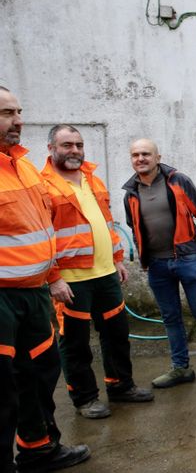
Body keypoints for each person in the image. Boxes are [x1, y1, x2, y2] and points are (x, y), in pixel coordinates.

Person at [0, 87, 90, 472]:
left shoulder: (22, 168)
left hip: (34, 295)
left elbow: (41, 231)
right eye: (6, 113)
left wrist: (52, 276)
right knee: (2, 393)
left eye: (18, 111)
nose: (18, 121)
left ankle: (40, 449)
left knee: (40, 374)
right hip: (2, 299)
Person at [41, 124, 154, 419]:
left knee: (117, 334)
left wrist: (116, 259)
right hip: (71, 279)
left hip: (105, 274)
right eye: (67, 145)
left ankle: (120, 386)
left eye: (78, 144)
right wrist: (53, 277)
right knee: (76, 343)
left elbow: (106, 222)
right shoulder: (42, 186)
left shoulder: (92, 179)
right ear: (51, 148)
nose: (75, 150)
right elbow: (40, 235)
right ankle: (85, 398)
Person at [122, 138, 196, 387]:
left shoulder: (178, 181)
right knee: (170, 318)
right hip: (157, 265)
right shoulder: (130, 194)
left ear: (158, 157)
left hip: (187, 258)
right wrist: (143, 257)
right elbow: (134, 227)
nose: (141, 159)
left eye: (146, 154)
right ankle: (181, 368)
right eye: (136, 155)